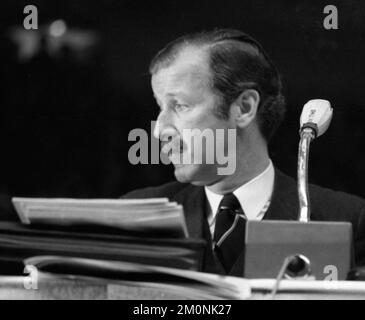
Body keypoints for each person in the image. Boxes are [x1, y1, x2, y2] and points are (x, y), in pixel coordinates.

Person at [122, 29, 365, 276]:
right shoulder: (134, 218)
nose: (159, 130)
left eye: (180, 106)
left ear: (244, 108)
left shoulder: (347, 221)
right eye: (160, 107)